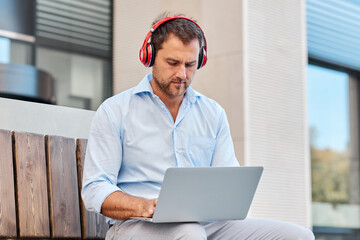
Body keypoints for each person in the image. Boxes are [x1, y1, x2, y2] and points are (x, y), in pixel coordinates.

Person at [82, 13, 315, 240]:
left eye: (190, 64)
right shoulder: (115, 111)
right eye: (173, 63)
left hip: (206, 226)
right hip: (136, 226)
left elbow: (228, 180)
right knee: (190, 233)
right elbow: (94, 188)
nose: (182, 74)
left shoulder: (212, 113)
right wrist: (146, 206)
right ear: (150, 56)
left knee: (298, 235)